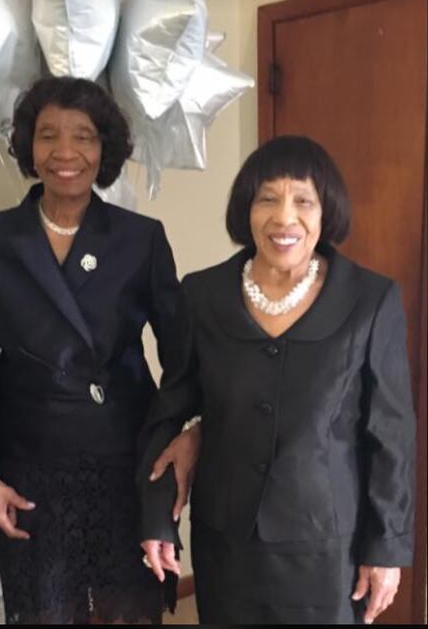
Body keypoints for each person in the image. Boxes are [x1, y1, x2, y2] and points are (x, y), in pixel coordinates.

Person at [139, 135, 416, 625]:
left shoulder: (370, 301)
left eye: (303, 201)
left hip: (327, 548)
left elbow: (390, 436)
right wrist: (158, 516)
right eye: (267, 198)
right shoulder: (203, 294)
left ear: (326, 211)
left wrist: (387, 548)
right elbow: (173, 408)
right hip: (226, 542)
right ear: (246, 209)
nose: (284, 218)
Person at [0, 76, 187, 625]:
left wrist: (182, 437)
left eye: (83, 136)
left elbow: (181, 359)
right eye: (48, 135)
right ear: (29, 145)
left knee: (127, 613)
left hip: (125, 465)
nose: (65, 152)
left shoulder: (140, 238)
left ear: (104, 150)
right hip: (31, 471)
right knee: (42, 614)